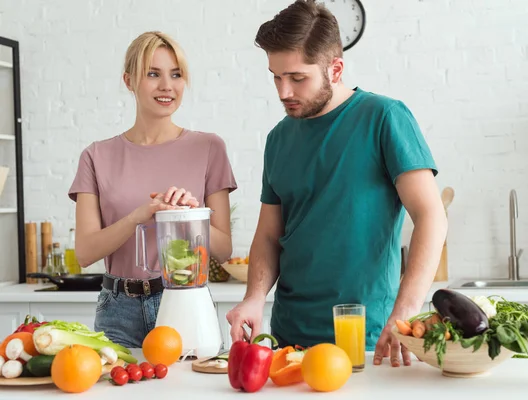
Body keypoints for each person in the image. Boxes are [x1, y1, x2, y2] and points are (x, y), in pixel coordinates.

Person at [226, 0, 447, 368]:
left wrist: (405, 311)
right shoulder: (278, 138)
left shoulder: (384, 118)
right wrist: (254, 297)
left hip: (368, 339)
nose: (284, 91)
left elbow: (431, 217)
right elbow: (268, 235)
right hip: (287, 341)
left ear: (335, 68)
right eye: (276, 77)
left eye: (297, 78)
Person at [68, 31, 237, 348]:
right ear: (129, 81)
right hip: (117, 311)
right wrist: (140, 215)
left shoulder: (209, 148)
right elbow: (85, 253)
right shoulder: (96, 156)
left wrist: (189, 218)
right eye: (153, 74)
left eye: (176, 75)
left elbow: (225, 250)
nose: (167, 86)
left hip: (184, 303)